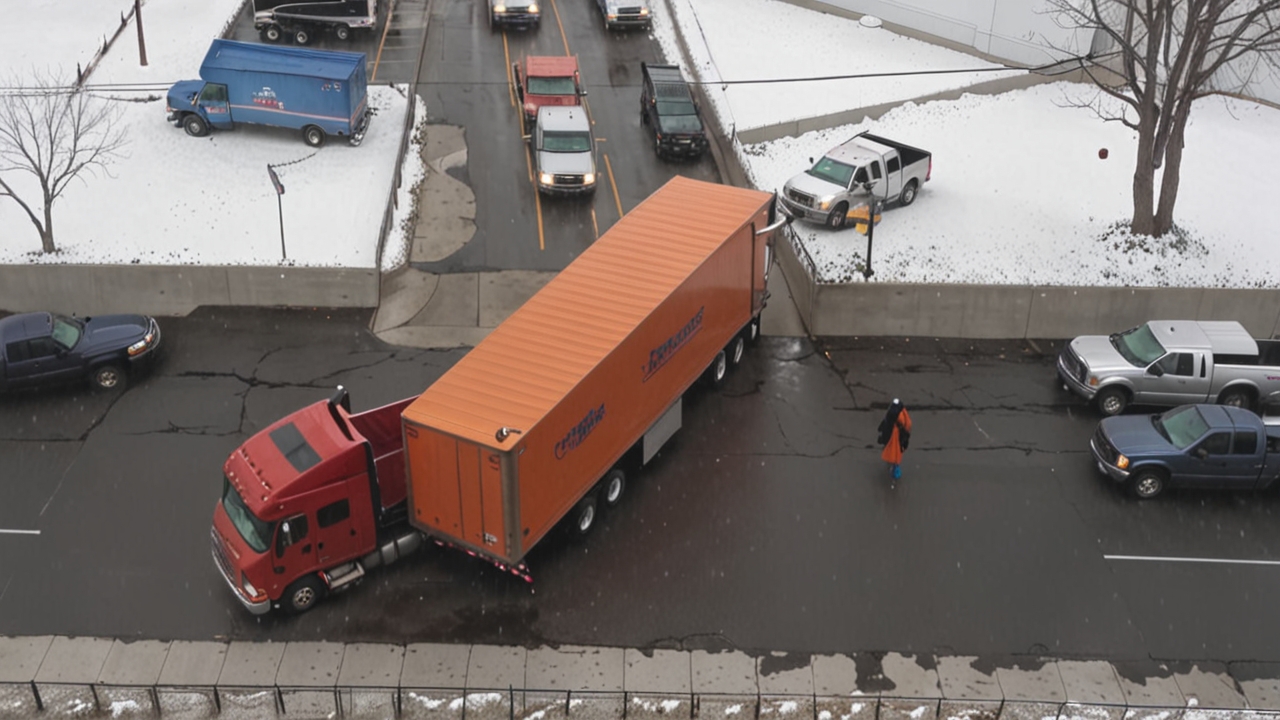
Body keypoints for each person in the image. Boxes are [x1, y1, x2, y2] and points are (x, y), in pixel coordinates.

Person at [877, 399, 912, 479]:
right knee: (896, 455)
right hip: (898, 439)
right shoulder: (903, 414)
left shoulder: (891, 416)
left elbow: (886, 426)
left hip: (893, 438)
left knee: (893, 453)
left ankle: (894, 468)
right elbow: (907, 425)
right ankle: (894, 468)